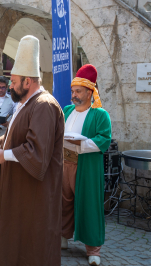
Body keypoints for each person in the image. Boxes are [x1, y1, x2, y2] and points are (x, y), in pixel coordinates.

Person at [0, 35, 64, 265]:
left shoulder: (44, 106)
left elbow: (36, 152)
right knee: (15, 243)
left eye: (14, 81)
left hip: (33, 197)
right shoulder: (24, 104)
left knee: (31, 246)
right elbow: (16, 139)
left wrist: (3, 156)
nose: (10, 85)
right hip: (19, 191)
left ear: (28, 82)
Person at [61, 64, 111, 266]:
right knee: (63, 202)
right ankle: (63, 236)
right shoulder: (66, 110)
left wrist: (80, 144)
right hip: (64, 164)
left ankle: (93, 250)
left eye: (78, 91)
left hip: (86, 168)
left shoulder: (100, 115)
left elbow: (104, 140)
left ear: (90, 92)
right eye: (73, 91)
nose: (74, 95)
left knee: (89, 203)